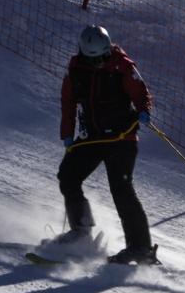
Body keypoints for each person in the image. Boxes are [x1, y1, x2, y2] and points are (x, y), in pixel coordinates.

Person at [58, 24, 159, 265]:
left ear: (107, 51)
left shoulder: (123, 66)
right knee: (68, 177)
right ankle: (80, 230)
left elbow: (141, 93)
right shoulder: (75, 69)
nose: (97, 64)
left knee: (122, 189)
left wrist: (144, 110)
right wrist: (67, 134)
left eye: (101, 59)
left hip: (121, 138)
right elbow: (68, 102)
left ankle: (140, 249)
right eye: (91, 60)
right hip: (92, 137)